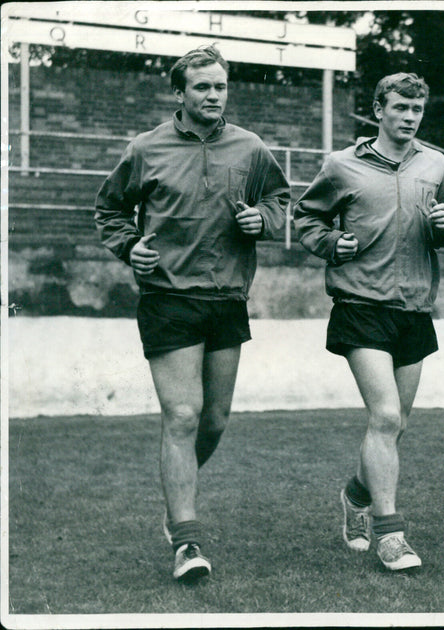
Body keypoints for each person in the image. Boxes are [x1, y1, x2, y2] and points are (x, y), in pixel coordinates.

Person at [94, 45, 290, 581]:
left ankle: (175, 500)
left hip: (227, 297)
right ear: (179, 92)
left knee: (214, 420)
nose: (212, 95)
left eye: (220, 86)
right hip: (167, 294)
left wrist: (264, 221)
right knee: (182, 415)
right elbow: (109, 208)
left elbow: (280, 199)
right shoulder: (146, 147)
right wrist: (129, 244)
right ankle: (186, 539)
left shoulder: (250, 148)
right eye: (201, 87)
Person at [293, 73, 444, 571]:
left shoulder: (438, 165)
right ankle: (391, 534)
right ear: (378, 109)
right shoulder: (342, 165)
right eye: (400, 108)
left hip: (413, 309)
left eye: (417, 110)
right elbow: (307, 217)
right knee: (386, 417)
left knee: (396, 425)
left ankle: (355, 495)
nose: (409, 117)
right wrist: (330, 243)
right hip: (360, 305)